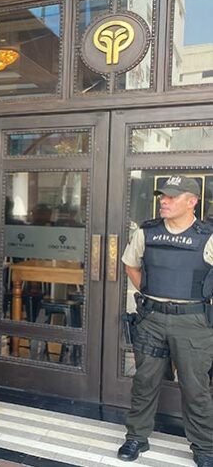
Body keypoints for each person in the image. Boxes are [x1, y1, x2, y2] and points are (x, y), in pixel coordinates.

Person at [117, 176, 213, 467]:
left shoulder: (208, 236)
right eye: (163, 196)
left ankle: (205, 446)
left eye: (172, 196)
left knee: (196, 387)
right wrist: (150, 291)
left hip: (193, 322)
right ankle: (136, 437)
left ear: (192, 201)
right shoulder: (148, 232)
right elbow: (130, 264)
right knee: (144, 381)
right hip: (153, 318)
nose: (164, 201)